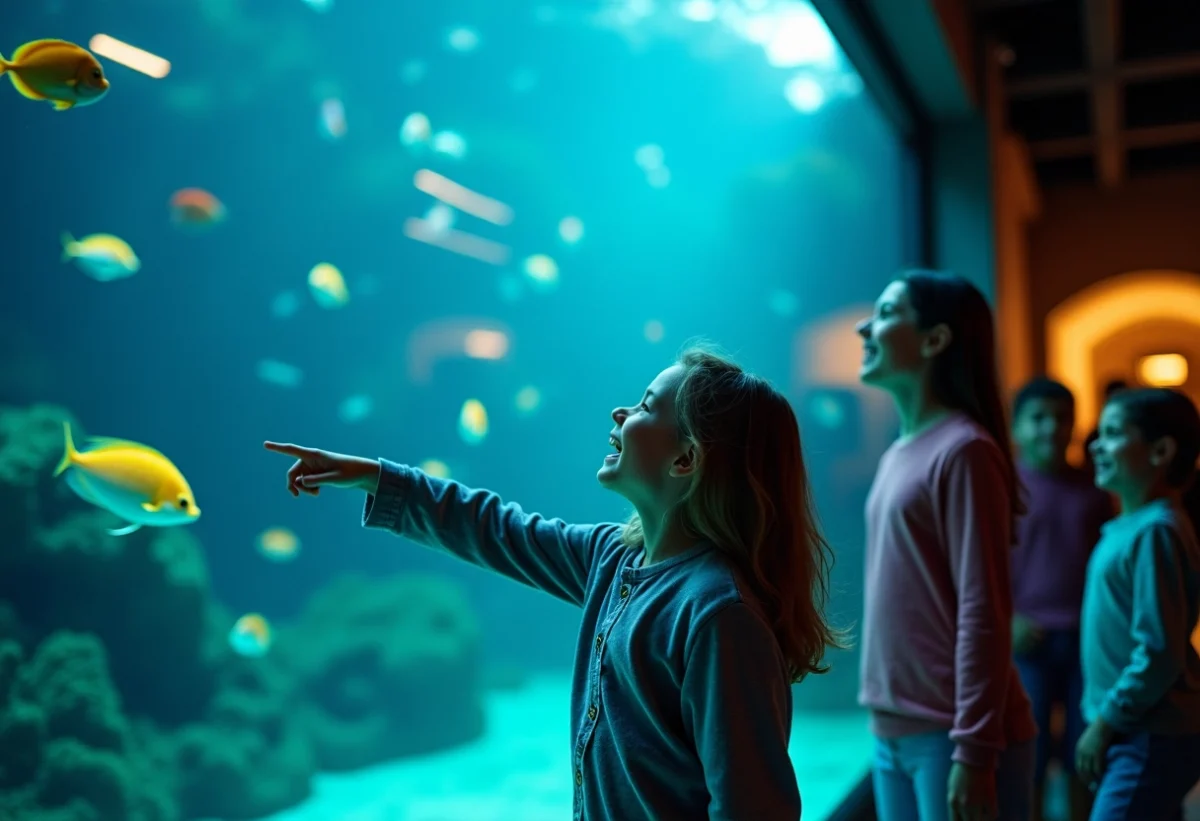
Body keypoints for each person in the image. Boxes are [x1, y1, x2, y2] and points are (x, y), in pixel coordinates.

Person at [264, 343, 846, 821]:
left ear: (685, 461)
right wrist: (378, 479)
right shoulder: (611, 559)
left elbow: (754, 806)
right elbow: (495, 528)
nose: (621, 413)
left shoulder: (718, 614)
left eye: (646, 407)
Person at [855, 270, 1038, 821]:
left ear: (935, 340)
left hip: (955, 736)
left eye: (887, 314)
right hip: (893, 728)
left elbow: (983, 608)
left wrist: (975, 750)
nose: (866, 325)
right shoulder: (896, 454)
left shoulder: (964, 451)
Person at [1076, 387, 1200, 820]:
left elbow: (1159, 652)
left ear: (1161, 450)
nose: (1095, 444)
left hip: (1148, 731)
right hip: (1137, 729)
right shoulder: (1131, 527)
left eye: (1113, 433)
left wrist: (1104, 723)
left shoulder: (1156, 532)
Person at [1008, 377, 1114, 821]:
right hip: (1026, 642)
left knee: (1081, 754)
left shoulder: (1094, 489)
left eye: (1060, 418)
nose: (1050, 428)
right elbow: (980, 567)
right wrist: (1007, 618)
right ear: (1017, 427)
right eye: (1038, 418)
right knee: (1025, 755)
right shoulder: (1002, 488)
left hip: (1084, 643)